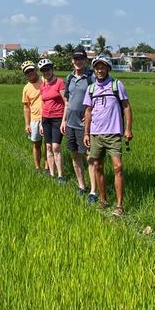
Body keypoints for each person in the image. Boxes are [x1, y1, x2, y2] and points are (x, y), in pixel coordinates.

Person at [83, 55, 133, 215]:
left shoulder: (116, 85)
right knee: (98, 166)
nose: (99, 70)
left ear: (108, 69)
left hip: (113, 133)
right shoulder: (91, 88)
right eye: (97, 67)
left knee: (118, 167)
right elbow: (88, 111)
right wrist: (86, 132)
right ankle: (103, 201)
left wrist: (128, 129)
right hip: (96, 134)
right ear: (94, 69)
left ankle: (119, 206)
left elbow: (126, 107)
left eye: (103, 67)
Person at [61, 48, 96, 198]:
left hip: (85, 125)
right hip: (70, 124)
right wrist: (64, 120)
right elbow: (67, 102)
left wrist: (92, 115)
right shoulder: (69, 78)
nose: (78, 61)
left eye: (81, 59)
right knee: (75, 155)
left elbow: (99, 99)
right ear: (72, 60)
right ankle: (82, 185)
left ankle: (93, 191)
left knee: (89, 157)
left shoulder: (91, 78)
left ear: (85, 61)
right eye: (75, 59)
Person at [38, 58, 67, 182]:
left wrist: (64, 120)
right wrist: (40, 122)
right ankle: (51, 174)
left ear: (52, 69)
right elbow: (42, 104)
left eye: (48, 69)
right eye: (44, 71)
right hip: (46, 119)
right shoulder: (43, 86)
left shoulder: (60, 83)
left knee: (56, 147)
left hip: (57, 118)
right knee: (48, 146)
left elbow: (67, 102)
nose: (46, 72)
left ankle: (61, 175)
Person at [21, 60, 45, 174]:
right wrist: (27, 124)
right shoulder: (26, 88)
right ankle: (37, 167)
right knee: (36, 144)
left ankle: (48, 167)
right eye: (27, 72)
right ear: (25, 74)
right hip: (34, 119)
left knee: (49, 145)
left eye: (32, 70)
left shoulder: (45, 80)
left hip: (48, 117)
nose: (30, 73)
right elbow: (26, 107)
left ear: (36, 69)